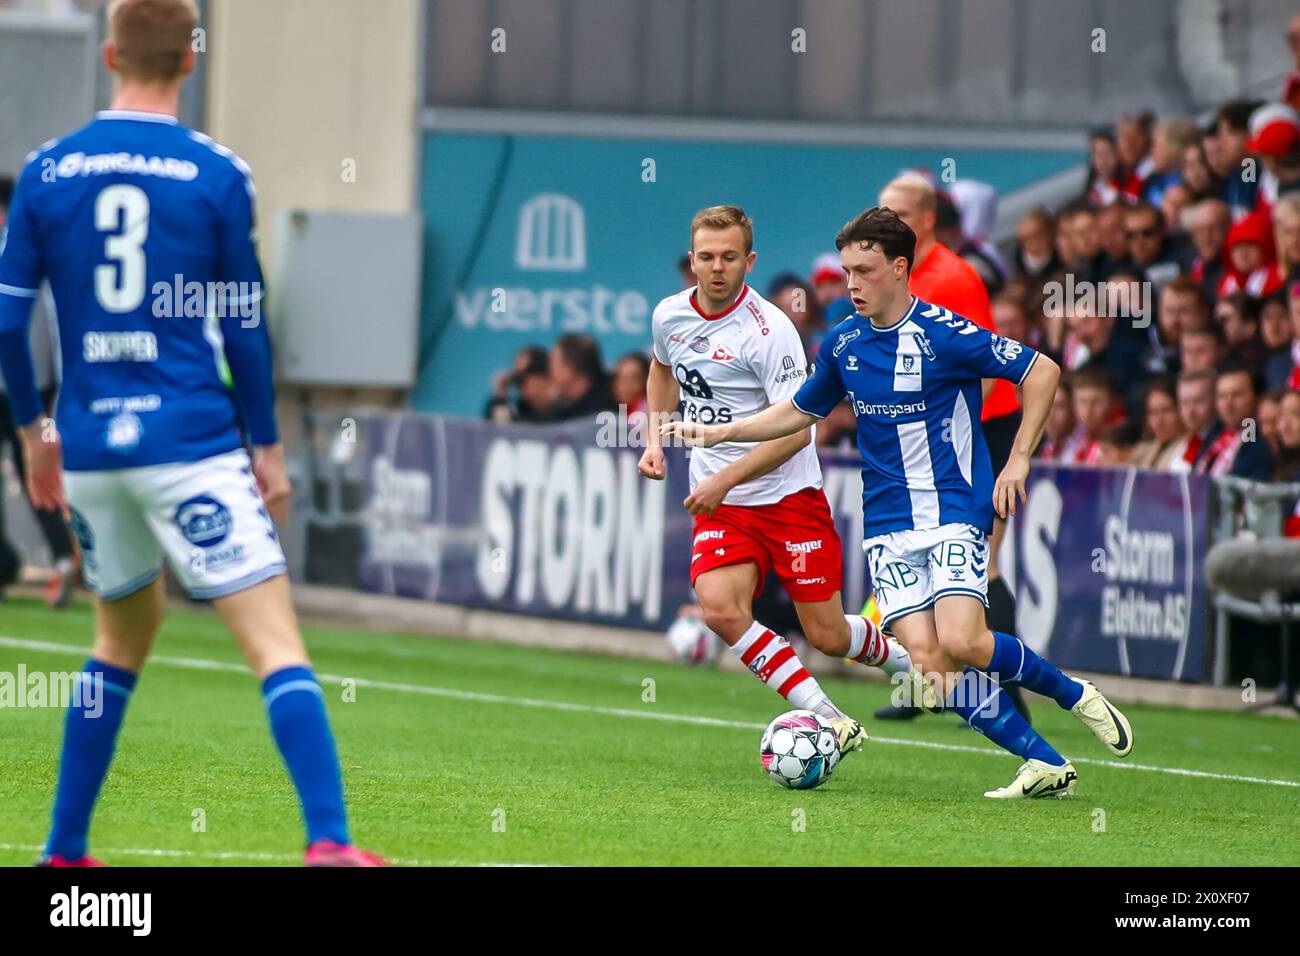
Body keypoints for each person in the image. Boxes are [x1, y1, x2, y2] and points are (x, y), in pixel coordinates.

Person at [0, 0, 381, 867]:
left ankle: (63, 852)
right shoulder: (216, 172)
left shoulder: (47, 170)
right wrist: (268, 446)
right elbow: (244, 324)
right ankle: (328, 843)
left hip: (94, 445)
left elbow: (6, 321)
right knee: (275, 644)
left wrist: (34, 431)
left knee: (117, 640)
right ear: (190, 62)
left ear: (108, 55)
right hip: (192, 441)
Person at [663, 207, 1134, 799]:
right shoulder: (844, 343)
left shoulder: (944, 332)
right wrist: (719, 434)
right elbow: (799, 413)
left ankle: (1074, 694)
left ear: (900, 268)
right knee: (933, 672)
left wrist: (1017, 460)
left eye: (864, 270)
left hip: (955, 509)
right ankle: (1043, 763)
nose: (851, 284)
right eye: (846, 271)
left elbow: (1041, 370)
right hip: (887, 524)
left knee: (964, 641)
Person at [637, 205, 921, 760]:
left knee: (830, 636)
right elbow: (661, 368)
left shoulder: (771, 333)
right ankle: (830, 718)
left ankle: (918, 665)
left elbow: (797, 433)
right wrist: (653, 440)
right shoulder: (670, 315)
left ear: (750, 260)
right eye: (706, 258)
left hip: (788, 497)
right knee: (719, 608)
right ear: (691, 259)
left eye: (728, 258)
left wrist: (724, 477)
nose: (716, 269)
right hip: (723, 501)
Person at [875, 173, 1030, 723]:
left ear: (925, 221)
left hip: (977, 435)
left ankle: (1011, 697)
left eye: (894, 216)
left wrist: (949, 437)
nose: (883, 225)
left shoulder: (954, 278)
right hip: (936, 440)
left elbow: (991, 369)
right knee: (926, 563)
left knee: (981, 565)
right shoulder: (900, 275)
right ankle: (931, 684)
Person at [1131, 379, 1187, 471]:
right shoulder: (1142, 452)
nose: (1159, 421)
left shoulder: (1190, 448)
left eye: (1167, 410)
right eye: (1153, 412)